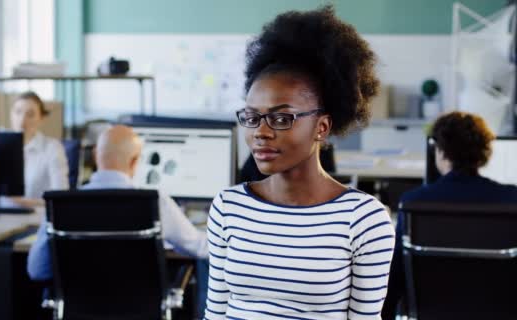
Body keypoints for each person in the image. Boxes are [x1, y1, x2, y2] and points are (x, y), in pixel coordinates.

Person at [205, 6, 395, 319]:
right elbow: (215, 312)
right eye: (252, 117)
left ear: (321, 127)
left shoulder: (363, 219)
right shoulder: (228, 208)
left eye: (281, 118)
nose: (260, 133)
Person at [27, 125, 208, 280]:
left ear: (96, 155)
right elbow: (200, 248)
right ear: (135, 161)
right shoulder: (155, 202)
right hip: (141, 310)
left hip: (77, 311)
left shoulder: (62, 204)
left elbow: (36, 270)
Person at [382, 111, 517, 319]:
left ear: (441, 151)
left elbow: (395, 278)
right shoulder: (511, 200)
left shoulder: (413, 202)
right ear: (483, 153)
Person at [9, 91, 69, 207]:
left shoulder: (52, 148)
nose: (22, 120)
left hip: (35, 219)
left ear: (41, 118)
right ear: (11, 114)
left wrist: (23, 202)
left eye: (30, 114)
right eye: (18, 112)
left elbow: (61, 198)